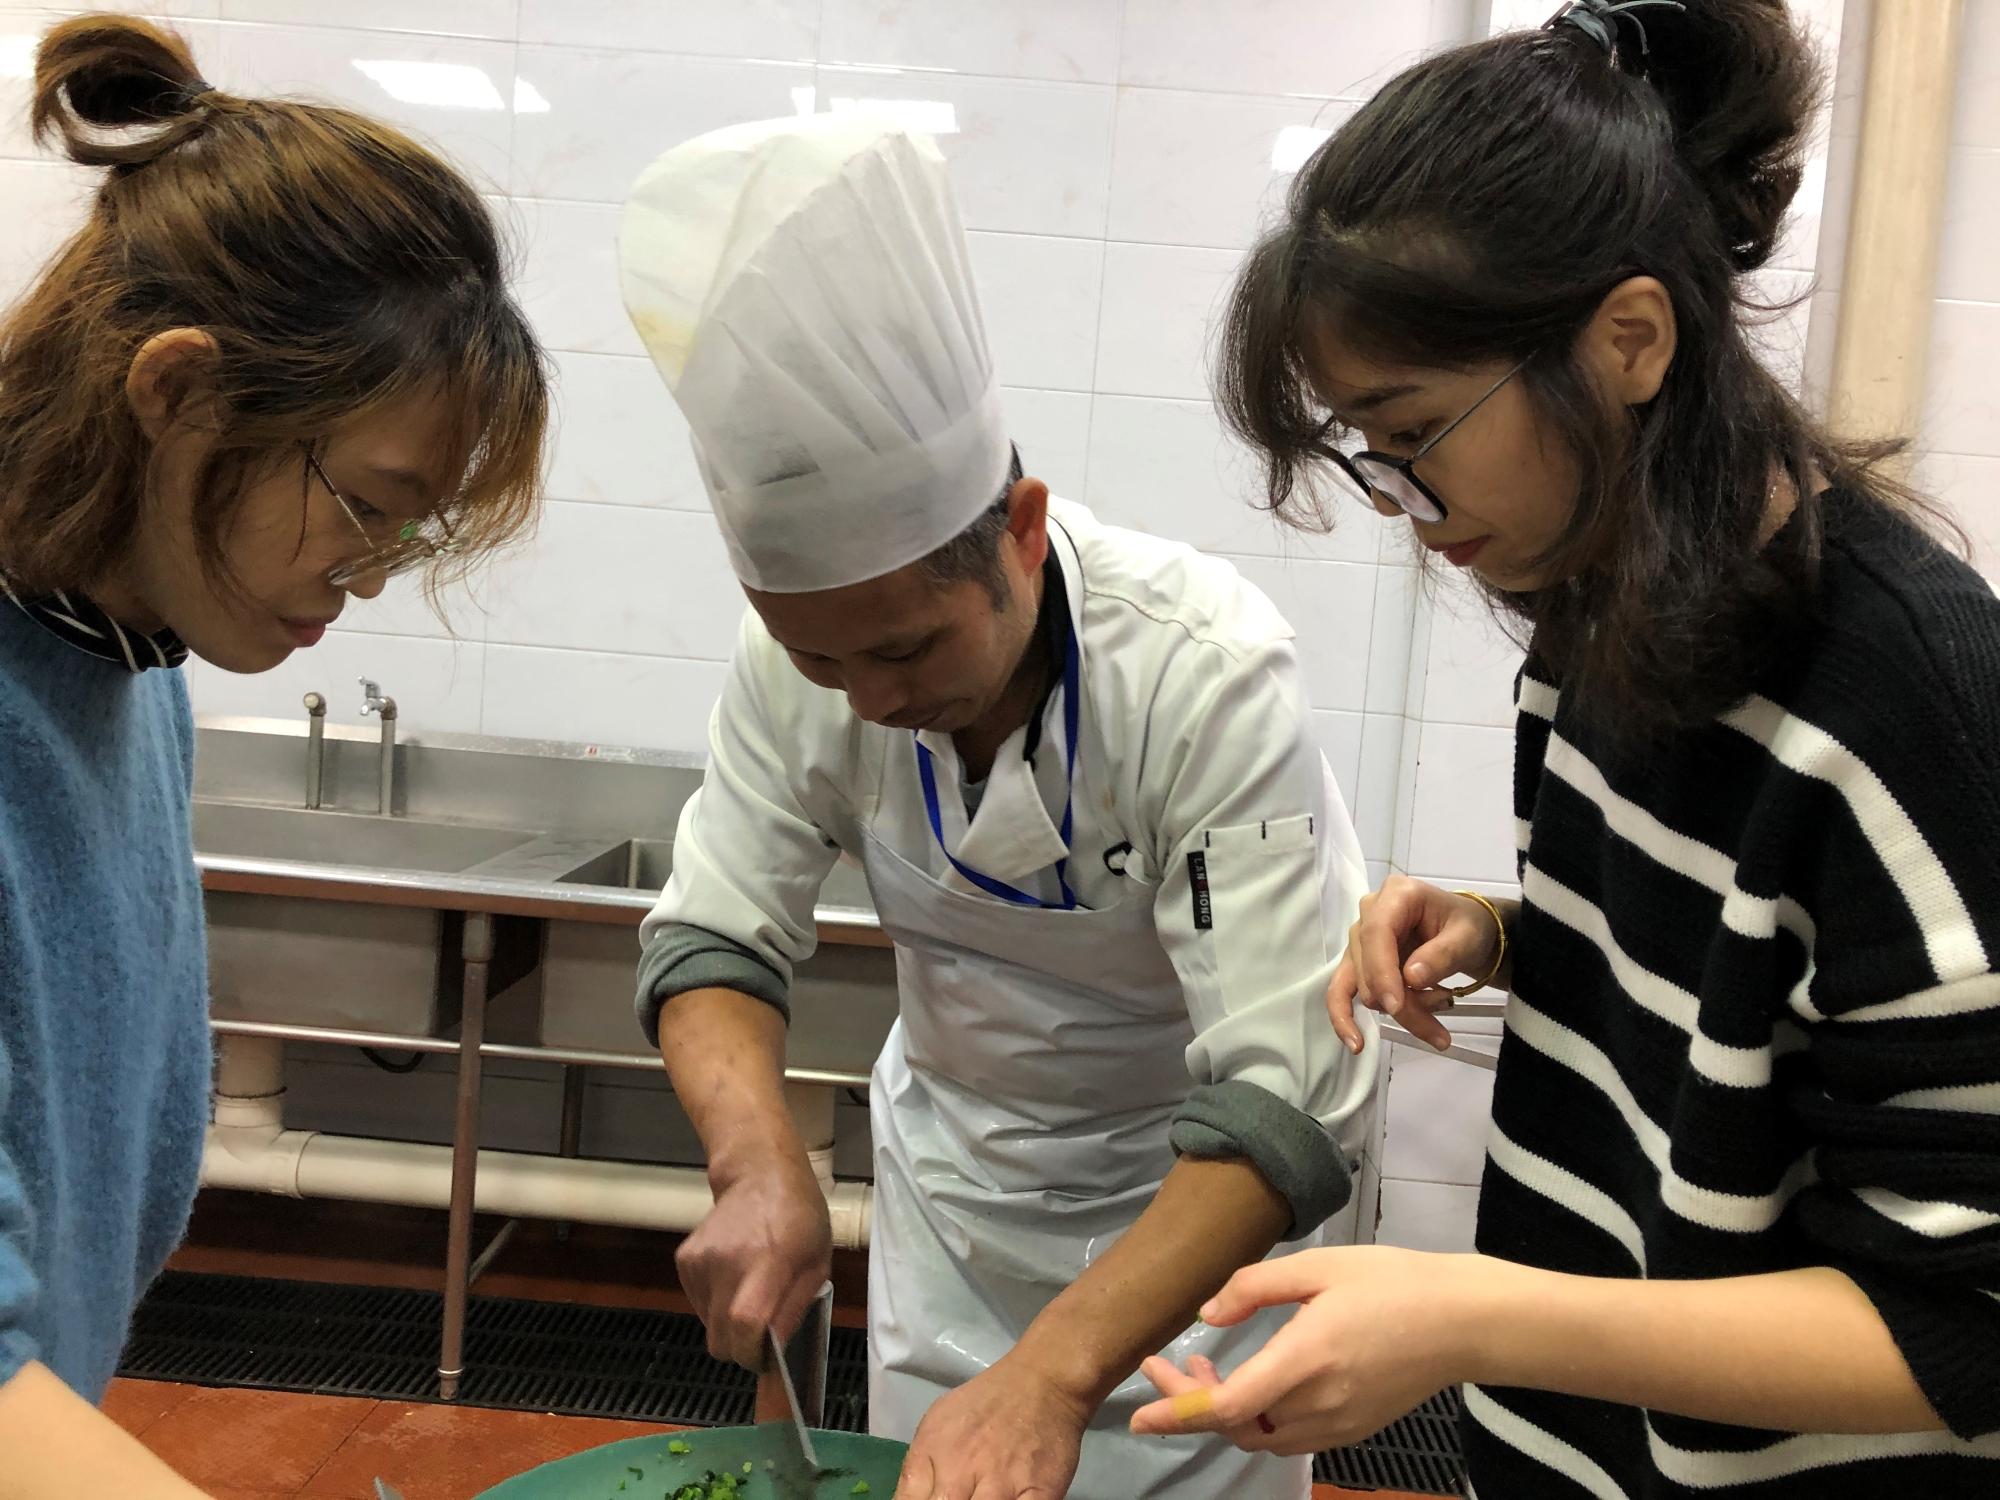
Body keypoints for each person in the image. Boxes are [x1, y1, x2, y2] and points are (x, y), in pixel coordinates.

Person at [1129, 1, 2000, 1496]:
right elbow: (1755, 1001)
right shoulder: (1608, 612)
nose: (1403, 504)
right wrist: (1507, 930)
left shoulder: (1910, 701)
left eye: (1414, 432)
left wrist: (1465, 1318)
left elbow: (1967, 1320)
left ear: (1632, 340)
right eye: (1363, 450)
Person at [617, 113, 1377, 1500]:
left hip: (1196, 1214)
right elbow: (716, 933)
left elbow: (1283, 1098)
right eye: (818, 659)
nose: (866, 700)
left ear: (1021, 530)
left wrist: (1055, 1372)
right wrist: (759, 1165)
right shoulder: (802, 665)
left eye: (906, 649)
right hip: (958, 1193)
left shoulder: (1203, 673)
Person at [0, 15, 547, 1498]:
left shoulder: (132, 673)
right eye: (367, 502)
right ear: (178, 392)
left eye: (413, 529)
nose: (372, 571)